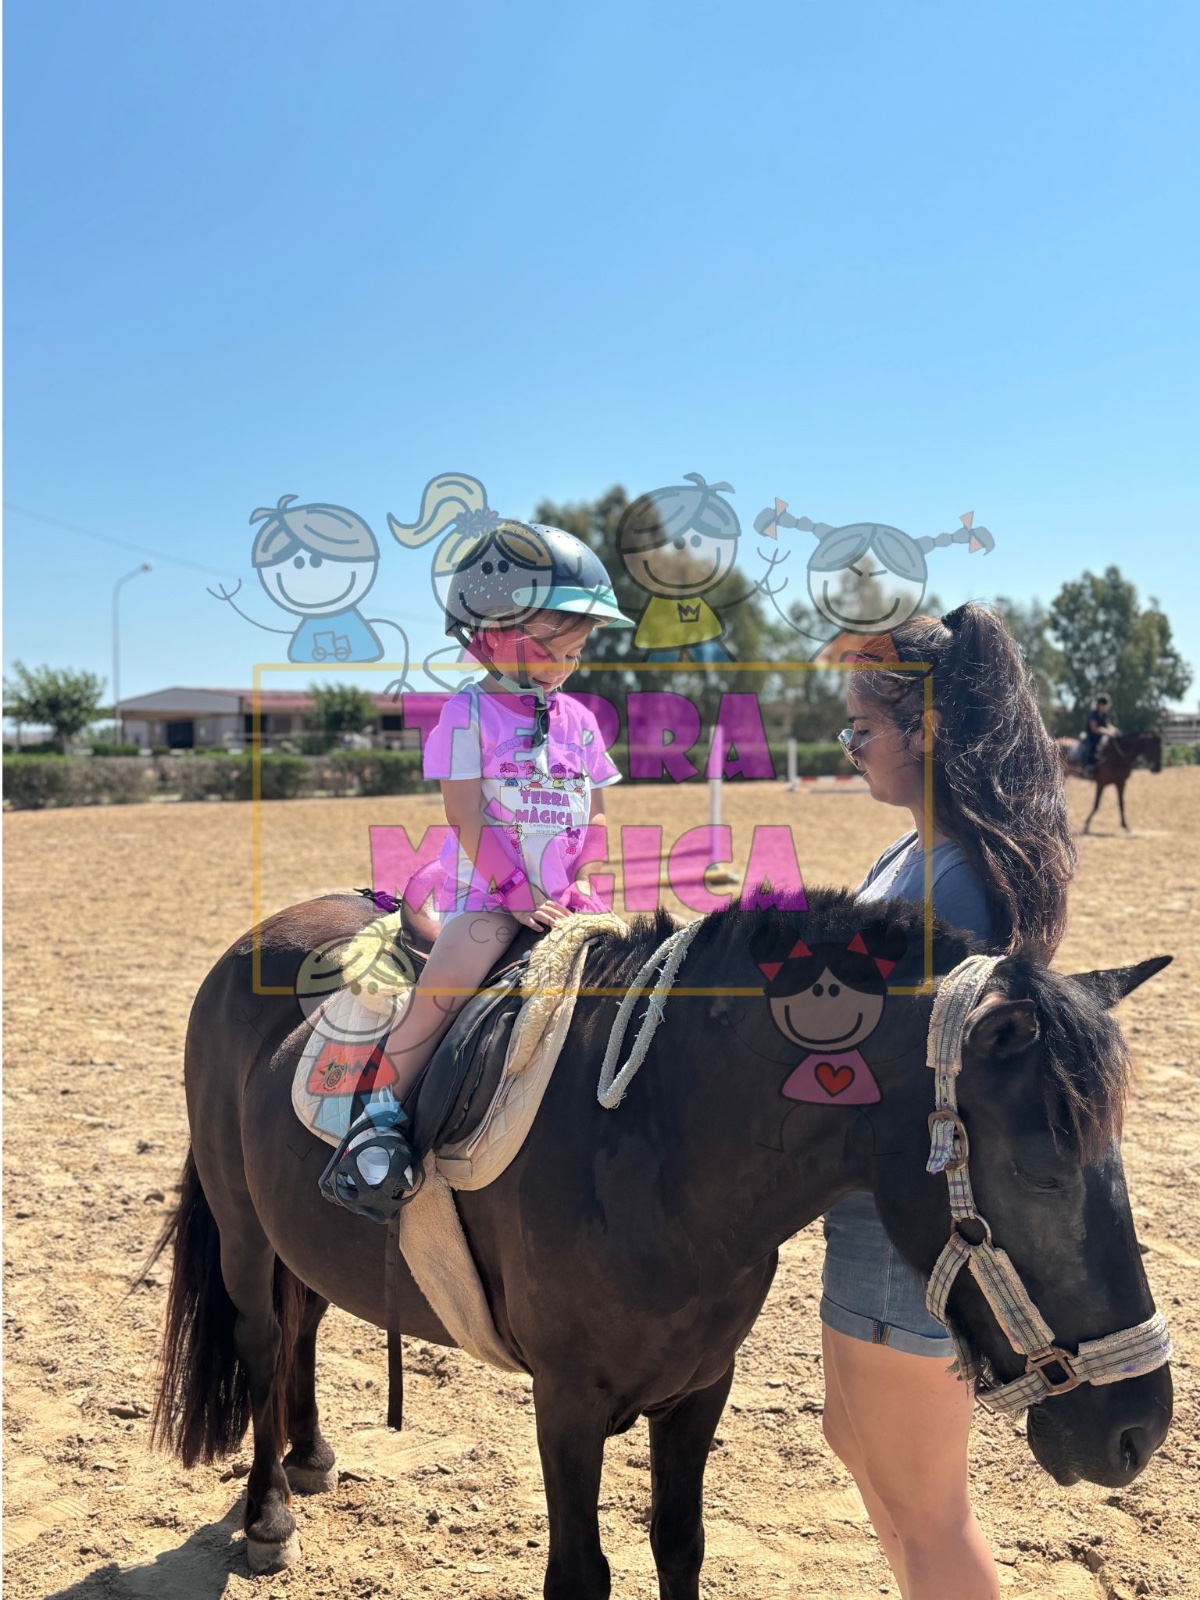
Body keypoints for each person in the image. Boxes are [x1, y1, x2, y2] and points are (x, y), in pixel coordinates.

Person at [828, 603, 1076, 1600]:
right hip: (875, 1210)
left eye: (861, 729)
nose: (850, 749)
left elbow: (898, 1059)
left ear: (923, 730)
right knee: (861, 1450)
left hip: (915, 1227)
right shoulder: (918, 854)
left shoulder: (959, 882)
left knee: (926, 1506)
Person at [319, 522, 634, 1220]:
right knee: (451, 980)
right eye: (551, 652)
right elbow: (465, 813)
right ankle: (377, 1115)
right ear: (491, 636)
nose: (563, 669)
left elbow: (598, 814)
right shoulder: (467, 712)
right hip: (486, 895)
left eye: (575, 655)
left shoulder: (580, 721)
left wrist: (585, 879)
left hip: (567, 898)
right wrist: (515, 891)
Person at [1083, 693, 1116, 776]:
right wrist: (1106, 732)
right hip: (1093, 736)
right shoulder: (1093, 714)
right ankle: (1089, 767)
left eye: (1104, 705)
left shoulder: (1104, 714)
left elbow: (1107, 725)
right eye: (1102, 705)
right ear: (1098, 705)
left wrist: (1114, 731)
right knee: (1093, 747)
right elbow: (1094, 728)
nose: (1103, 707)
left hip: (1102, 736)